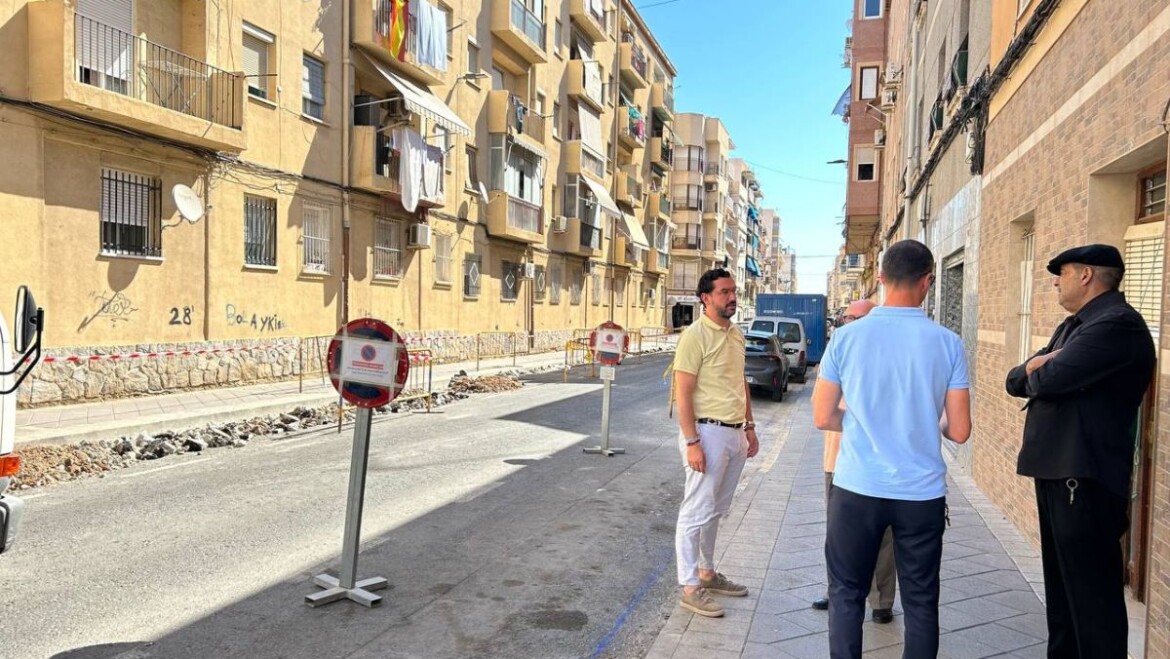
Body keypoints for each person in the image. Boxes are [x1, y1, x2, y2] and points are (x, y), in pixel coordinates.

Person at [813, 240, 971, 659]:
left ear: (880, 279)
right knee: (920, 600)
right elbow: (959, 430)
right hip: (920, 494)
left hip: (856, 488)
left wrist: (866, 422)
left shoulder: (846, 338)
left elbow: (822, 415)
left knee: (846, 593)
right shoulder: (948, 343)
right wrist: (921, 424)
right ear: (928, 281)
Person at [1005, 243, 1154, 658]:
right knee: (1063, 593)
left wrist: (1039, 370)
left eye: (1063, 272)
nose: (1056, 281)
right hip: (1059, 472)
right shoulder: (1076, 325)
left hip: (1084, 477)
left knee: (1091, 599)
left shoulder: (1116, 325)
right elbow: (1016, 379)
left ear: (1086, 275)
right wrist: (1035, 369)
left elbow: (1047, 379)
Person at [672, 268, 760, 618]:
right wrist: (692, 440)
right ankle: (690, 586)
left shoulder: (736, 333)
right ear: (705, 298)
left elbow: (740, 382)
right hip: (706, 433)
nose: (732, 297)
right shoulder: (695, 335)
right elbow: (683, 391)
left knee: (715, 509)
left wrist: (749, 427)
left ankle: (707, 572)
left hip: (734, 433)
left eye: (733, 291)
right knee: (695, 510)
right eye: (724, 292)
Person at [811, 298, 896, 625]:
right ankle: (839, 592)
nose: (848, 323)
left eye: (855, 317)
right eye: (846, 318)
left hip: (881, 461)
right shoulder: (835, 355)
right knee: (839, 534)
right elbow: (820, 411)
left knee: (884, 537)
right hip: (839, 460)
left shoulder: (889, 359)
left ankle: (881, 601)